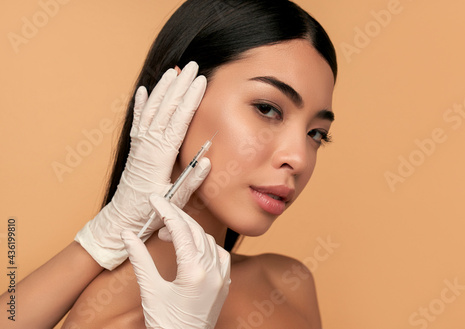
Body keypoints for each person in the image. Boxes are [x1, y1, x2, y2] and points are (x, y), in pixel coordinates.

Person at [0, 0, 337, 327]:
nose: (298, 158)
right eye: (267, 108)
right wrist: (102, 237)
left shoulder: (289, 285)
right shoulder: (111, 316)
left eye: (316, 133)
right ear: (176, 94)